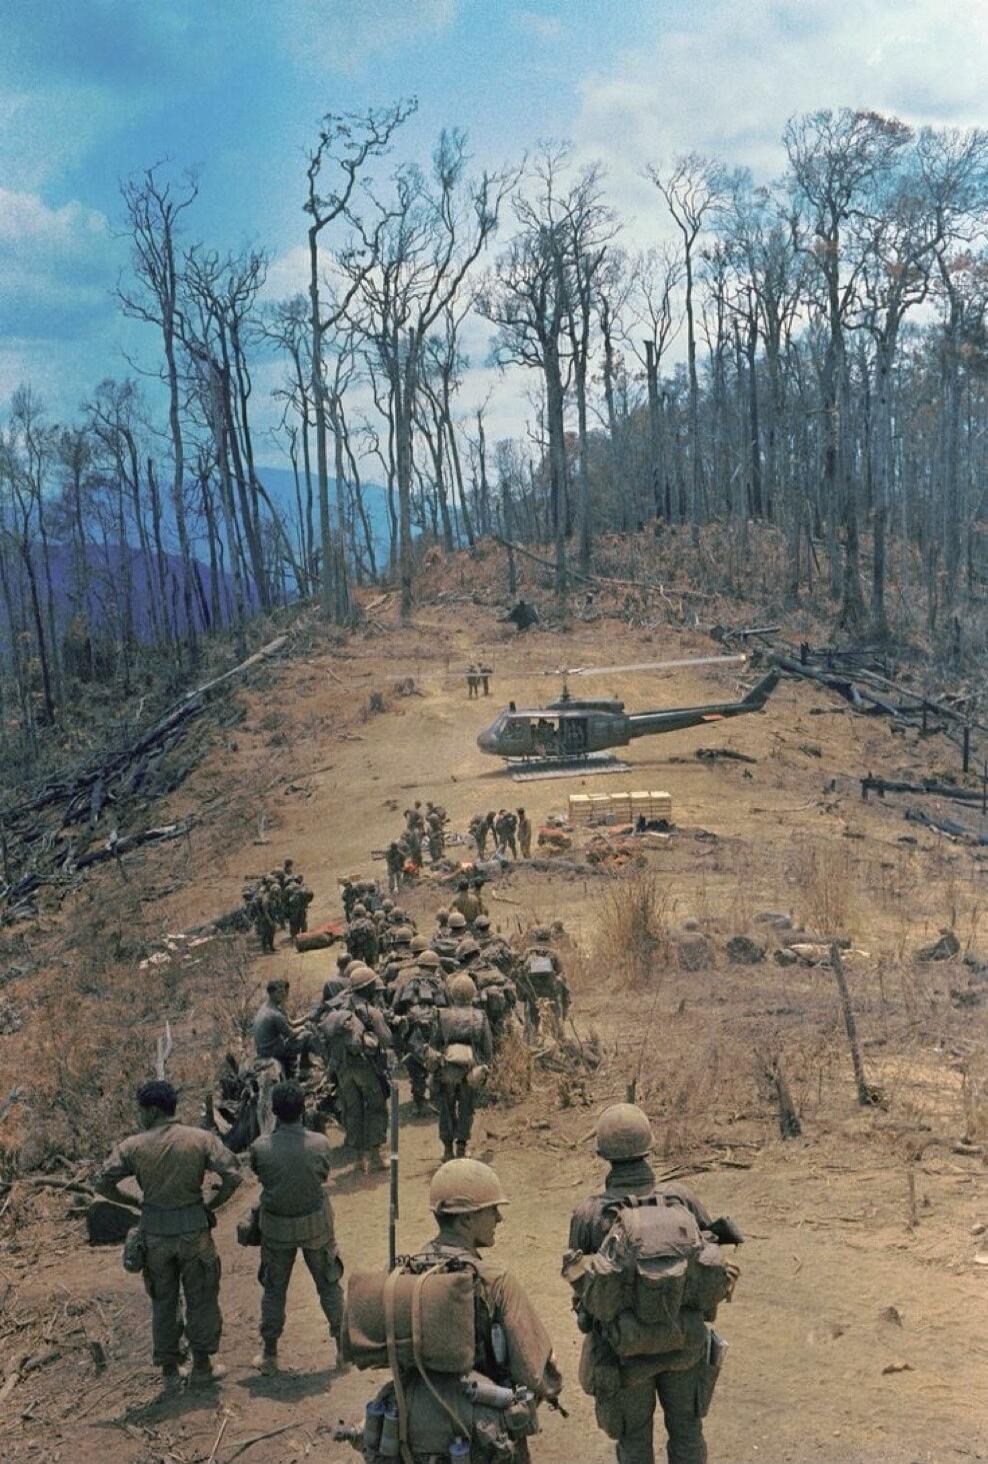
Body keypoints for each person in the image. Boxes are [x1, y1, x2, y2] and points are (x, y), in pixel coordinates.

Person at [565, 1104, 738, 1464]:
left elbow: (584, 1287)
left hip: (624, 1353)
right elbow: (711, 1254)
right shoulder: (681, 1199)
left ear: (603, 1154)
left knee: (633, 1443)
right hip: (685, 1344)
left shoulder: (590, 1213)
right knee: (688, 1433)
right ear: (649, 1148)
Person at [95, 1080, 242, 1394]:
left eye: (141, 1111)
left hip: (155, 1234)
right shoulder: (201, 1138)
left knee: (163, 1302)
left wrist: (135, 1202)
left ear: (152, 1110)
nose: (140, 1117)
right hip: (194, 1231)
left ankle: (170, 1373)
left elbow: (103, 1183)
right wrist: (212, 1204)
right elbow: (233, 1174)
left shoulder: (132, 1146)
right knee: (201, 1298)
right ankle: (202, 1367)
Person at [414, 1160, 562, 1456]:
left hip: (417, 1423)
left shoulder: (406, 1275)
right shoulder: (495, 1282)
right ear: (467, 1219)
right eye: (492, 1210)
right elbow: (535, 1374)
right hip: (484, 1430)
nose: (499, 1218)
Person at [248, 1080, 345, 1375]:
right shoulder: (320, 1143)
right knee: (328, 1284)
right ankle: (344, 1351)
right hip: (315, 1225)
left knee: (274, 1290)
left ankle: (270, 1355)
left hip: (276, 1229)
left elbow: (258, 1172)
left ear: (274, 1111)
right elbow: (323, 1174)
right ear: (303, 1110)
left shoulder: (260, 1147)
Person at [319, 965, 392, 1173]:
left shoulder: (339, 1007)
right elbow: (386, 1040)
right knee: (376, 1108)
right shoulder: (371, 1012)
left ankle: (359, 1159)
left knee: (353, 1110)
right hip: (365, 1068)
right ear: (368, 988)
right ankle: (376, 1157)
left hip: (342, 1069)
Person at [431, 973, 492, 1161]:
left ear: (452, 993)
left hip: (447, 1068)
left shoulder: (442, 1015)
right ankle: (461, 1147)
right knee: (466, 1107)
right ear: (473, 993)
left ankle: (447, 1150)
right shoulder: (480, 1016)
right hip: (470, 1067)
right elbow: (487, 1046)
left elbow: (435, 1042)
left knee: (446, 1108)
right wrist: (484, 1067)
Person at [253, 979, 311, 1077]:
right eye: (279, 992)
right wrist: (303, 1028)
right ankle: (304, 1068)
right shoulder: (275, 1014)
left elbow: (290, 1023)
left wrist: (306, 1018)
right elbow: (291, 1034)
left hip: (263, 1049)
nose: (283, 993)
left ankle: (292, 1067)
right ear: (271, 994)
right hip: (272, 1050)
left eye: (283, 991)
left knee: (299, 1034)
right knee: (307, 1035)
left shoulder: (266, 1007)